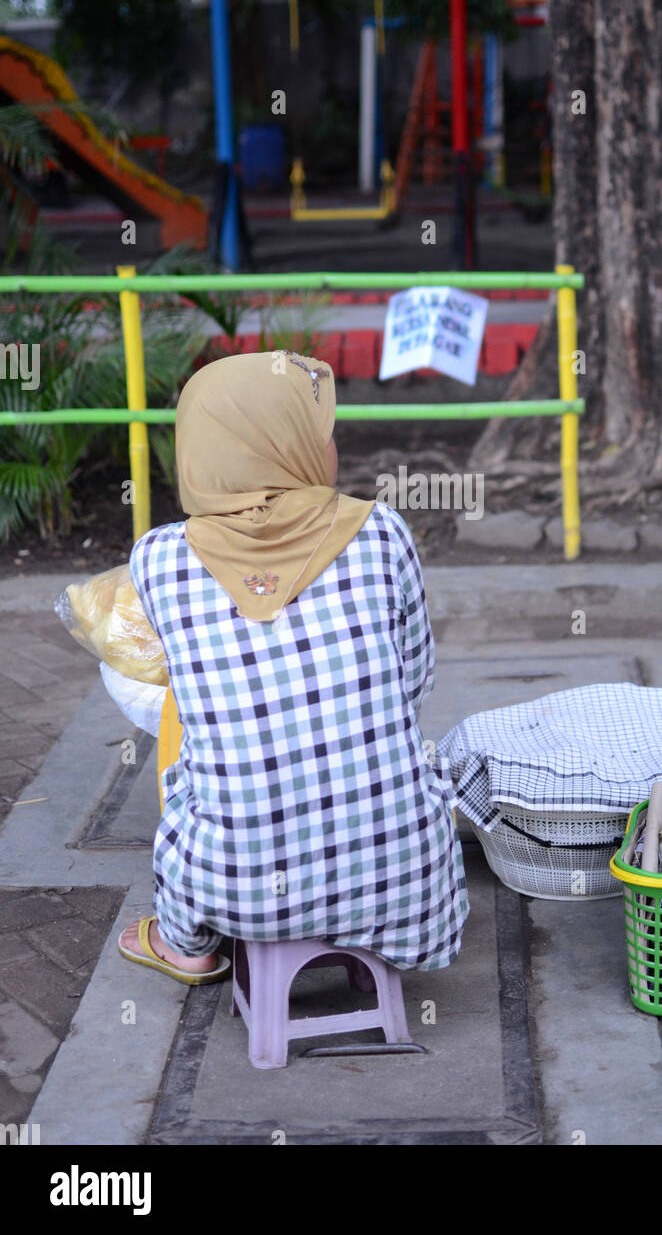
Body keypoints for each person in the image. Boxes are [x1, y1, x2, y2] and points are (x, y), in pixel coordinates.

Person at [118, 350, 468, 984]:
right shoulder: (382, 531)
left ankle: (188, 945)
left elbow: (185, 685)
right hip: (403, 875)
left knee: (189, 770)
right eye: (320, 434)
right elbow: (415, 679)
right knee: (415, 759)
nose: (330, 449)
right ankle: (377, 934)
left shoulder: (158, 559)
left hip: (239, 887)